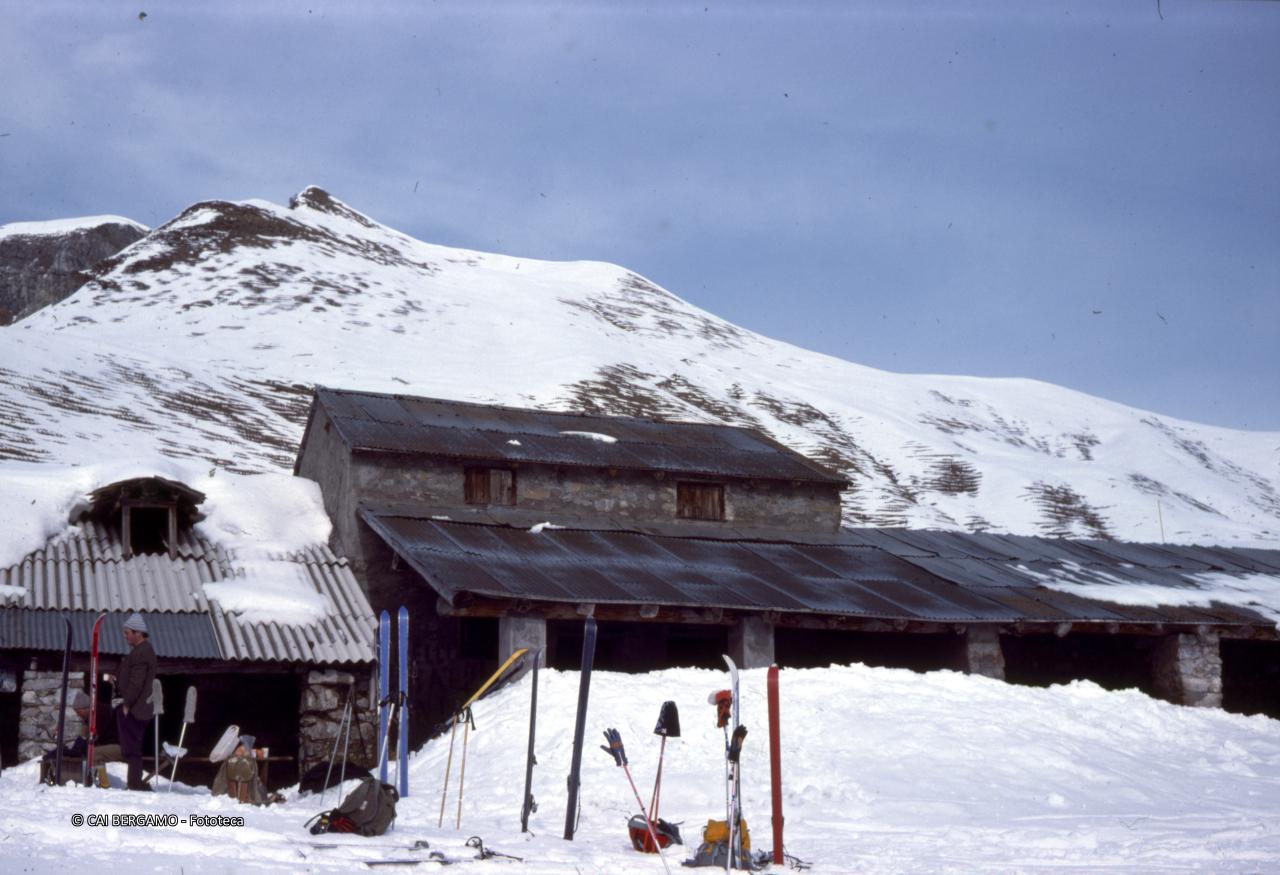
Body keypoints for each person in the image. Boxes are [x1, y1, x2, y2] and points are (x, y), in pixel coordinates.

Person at [114, 612, 157, 791]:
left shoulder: (142, 653)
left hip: (136, 709)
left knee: (132, 748)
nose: (125, 636)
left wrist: (127, 703)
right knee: (131, 746)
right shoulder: (140, 651)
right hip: (136, 707)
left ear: (138, 633)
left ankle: (134, 783)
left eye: (127, 632)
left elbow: (136, 683)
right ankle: (134, 782)